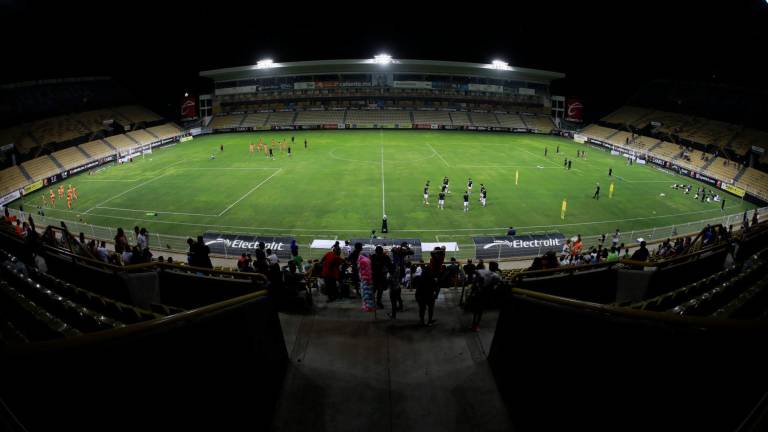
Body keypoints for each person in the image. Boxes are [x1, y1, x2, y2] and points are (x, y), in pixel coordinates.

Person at [470, 261, 501, 332]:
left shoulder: (482, 271)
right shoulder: (496, 276)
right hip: (485, 294)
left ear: (489, 267)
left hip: (478, 292)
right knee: (480, 311)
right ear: (496, 268)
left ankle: (474, 324)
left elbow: (475, 274)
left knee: (477, 310)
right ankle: (475, 326)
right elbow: (496, 285)